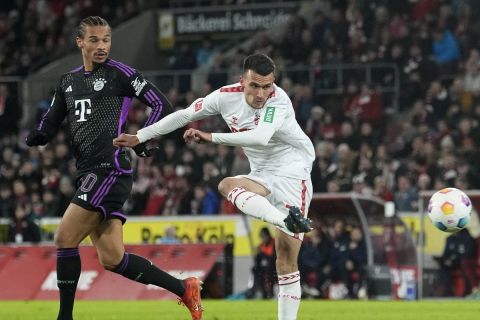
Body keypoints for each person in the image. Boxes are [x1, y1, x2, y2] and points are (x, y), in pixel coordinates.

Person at [25, 16, 202, 320]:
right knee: (113, 259)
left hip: (110, 168)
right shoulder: (68, 81)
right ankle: (184, 288)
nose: (101, 46)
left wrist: (142, 137)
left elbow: (162, 105)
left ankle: (64, 317)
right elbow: (52, 118)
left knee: (64, 238)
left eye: (106, 39)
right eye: (94, 40)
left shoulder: (120, 73)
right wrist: (41, 133)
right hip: (88, 172)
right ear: (79, 42)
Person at [114, 53, 314, 320]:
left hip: (294, 171)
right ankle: (287, 220)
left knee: (286, 260)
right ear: (242, 81)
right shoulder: (224, 97)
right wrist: (140, 135)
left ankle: (287, 224)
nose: (260, 93)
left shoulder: (279, 101)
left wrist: (210, 136)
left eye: (266, 86)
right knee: (226, 185)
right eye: (254, 85)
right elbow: (184, 115)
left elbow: (260, 137)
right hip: (262, 172)